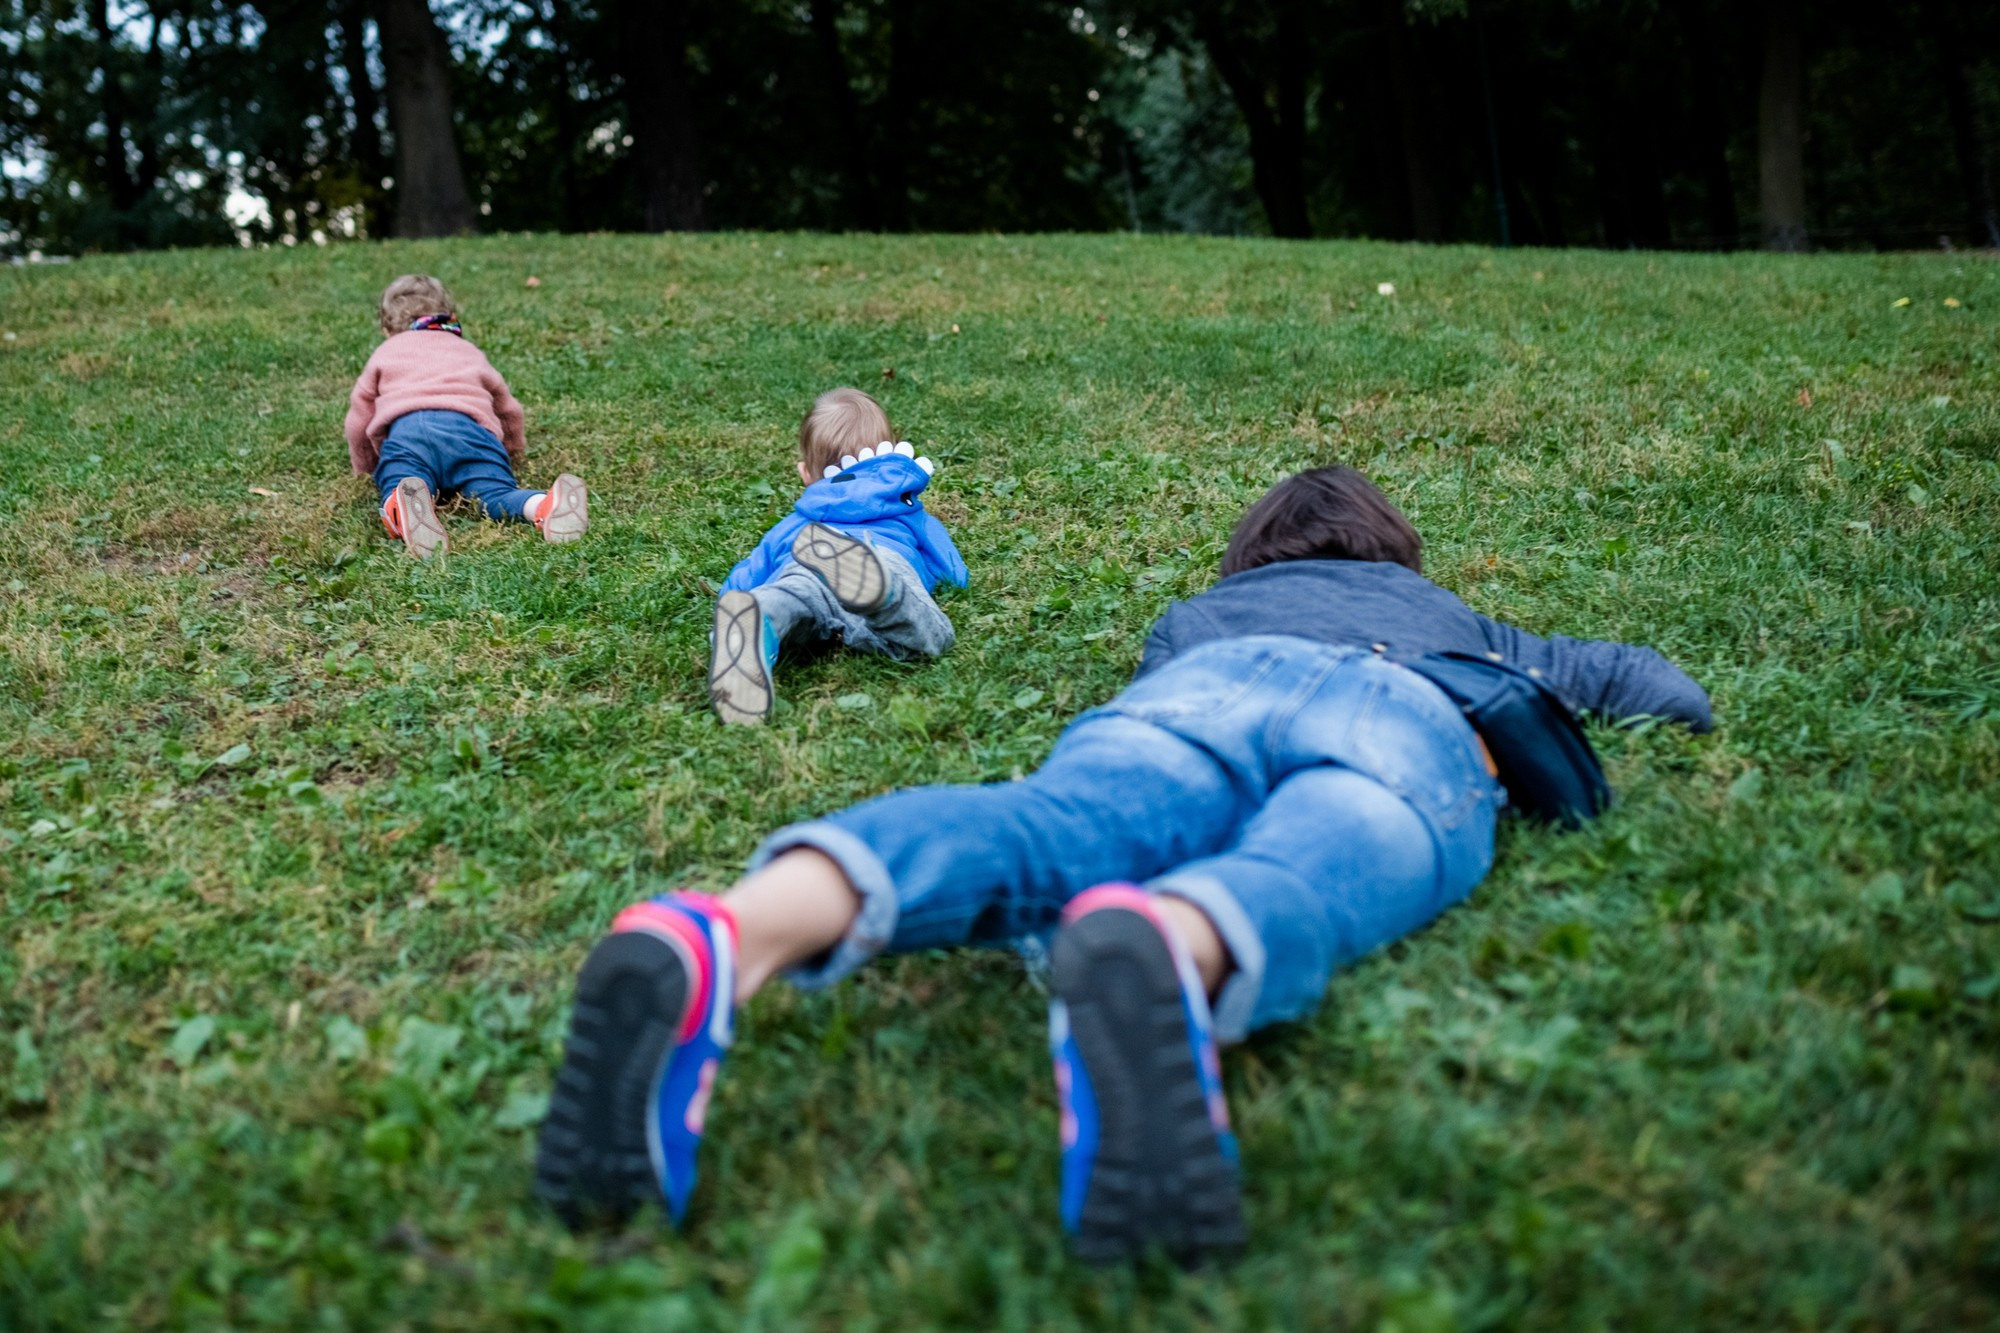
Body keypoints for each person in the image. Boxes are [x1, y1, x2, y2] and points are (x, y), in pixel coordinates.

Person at [534, 466, 1711, 1263]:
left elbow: (1142, 698)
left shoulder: (1197, 614)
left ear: (1250, 551)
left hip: (1190, 698)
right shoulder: (1443, 612)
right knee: (1331, 847)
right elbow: (1660, 692)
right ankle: (1176, 940)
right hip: (1395, 710)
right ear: (1390, 550)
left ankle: (726, 936)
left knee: (1046, 827)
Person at [707, 387, 966, 725]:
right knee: (925, 636)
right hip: (884, 557)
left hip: (804, 564)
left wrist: (735, 595)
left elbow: (745, 577)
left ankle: (761, 617)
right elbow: (952, 569)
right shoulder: (905, 513)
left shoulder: (796, 524)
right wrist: (944, 579)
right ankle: (884, 593)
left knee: (790, 598)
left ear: (805, 474)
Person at [343, 274, 588, 559]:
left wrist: (365, 468)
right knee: (495, 494)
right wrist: (512, 451)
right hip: (470, 433)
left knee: (400, 481)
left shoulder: (384, 353)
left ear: (387, 327)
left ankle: (401, 504)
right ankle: (542, 505)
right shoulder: (468, 350)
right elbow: (508, 408)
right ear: (448, 315)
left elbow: (358, 420)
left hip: (408, 435)